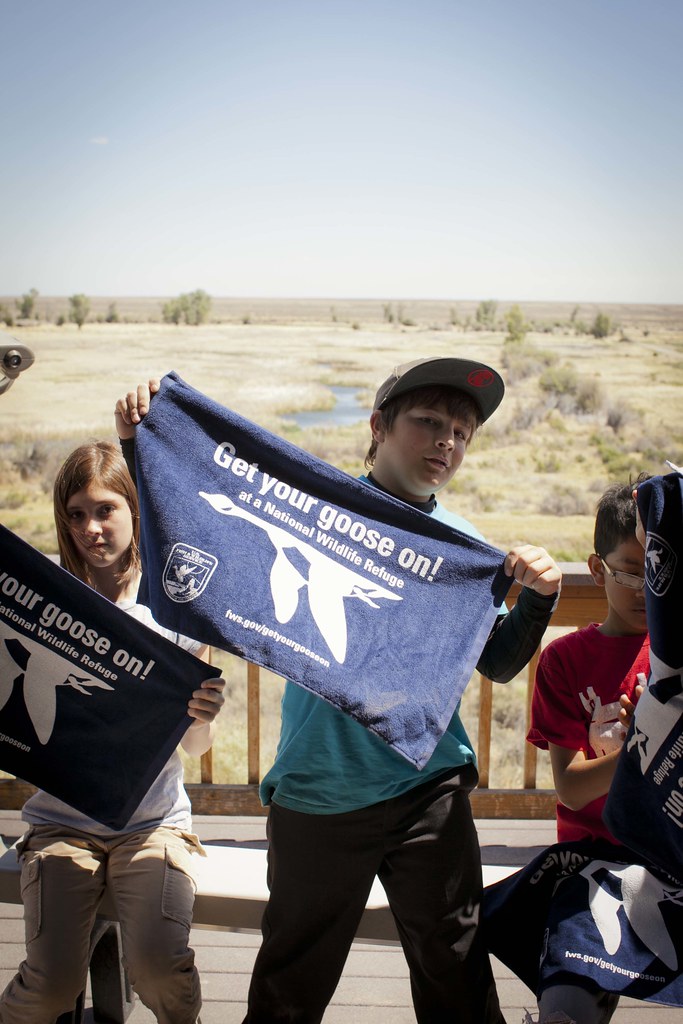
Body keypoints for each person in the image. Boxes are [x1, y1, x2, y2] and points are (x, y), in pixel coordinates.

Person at [116, 357, 562, 1024]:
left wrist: (539, 600)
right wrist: (143, 438)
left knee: (456, 974)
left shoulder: (464, 549)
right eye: (429, 422)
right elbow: (210, 507)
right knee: (291, 984)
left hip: (427, 792)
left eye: (462, 432)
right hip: (316, 791)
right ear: (379, 426)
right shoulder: (312, 508)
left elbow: (497, 663)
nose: (446, 441)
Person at [0, 441, 225, 1024]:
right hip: (60, 826)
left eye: (105, 510)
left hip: (151, 826)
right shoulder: (43, 598)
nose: (90, 528)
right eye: (75, 514)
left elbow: (195, 750)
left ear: (135, 511)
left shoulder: (172, 611)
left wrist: (201, 716)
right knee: (49, 988)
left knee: (159, 969)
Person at [523, 476, 651, 1023]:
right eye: (630, 571)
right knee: (567, 1005)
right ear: (597, 570)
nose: (646, 588)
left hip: (670, 861)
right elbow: (572, 789)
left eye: (662, 570)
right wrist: (636, 750)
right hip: (594, 863)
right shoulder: (565, 662)